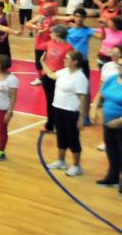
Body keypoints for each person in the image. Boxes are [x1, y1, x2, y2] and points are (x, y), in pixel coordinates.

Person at [42, 51, 89, 177]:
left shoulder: (80, 78)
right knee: (61, 136)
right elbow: (51, 75)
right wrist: (42, 62)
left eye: (67, 58)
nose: (64, 59)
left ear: (75, 62)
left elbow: (83, 99)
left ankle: (76, 166)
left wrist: (81, 118)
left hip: (71, 112)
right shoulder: (63, 72)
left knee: (72, 138)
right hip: (58, 109)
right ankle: (61, 161)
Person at [94, 54, 122, 191]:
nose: (119, 67)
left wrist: (119, 121)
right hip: (107, 123)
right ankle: (112, 176)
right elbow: (101, 93)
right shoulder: (112, 79)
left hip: (120, 124)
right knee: (112, 151)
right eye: (119, 65)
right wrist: (93, 109)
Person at [40, 24, 74, 133]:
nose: (50, 34)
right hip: (47, 76)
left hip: (60, 77)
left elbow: (70, 64)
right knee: (50, 101)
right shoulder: (50, 43)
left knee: (59, 102)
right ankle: (50, 124)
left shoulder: (69, 47)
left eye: (52, 33)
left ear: (58, 34)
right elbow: (38, 46)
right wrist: (38, 35)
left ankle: (59, 125)